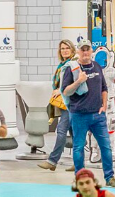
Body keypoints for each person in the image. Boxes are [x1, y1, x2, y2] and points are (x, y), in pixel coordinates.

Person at [61, 40, 115, 188]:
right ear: (78, 52)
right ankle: (80, 179)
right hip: (79, 115)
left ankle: (110, 177)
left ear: (91, 51)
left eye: (88, 50)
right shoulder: (72, 69)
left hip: (98, 115)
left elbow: (104, 88)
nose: (85, 52)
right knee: (79, 147)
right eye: (83, 50)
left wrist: (104, 105)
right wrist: (79, 81)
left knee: (106, 147)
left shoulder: (97, 66)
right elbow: (66, 91)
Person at [40, 39, 76, 172]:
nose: (65, 50)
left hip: (71, 103)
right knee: (74, 133)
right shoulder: (63, 65)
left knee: (61, 130)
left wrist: (60, 90)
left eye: (67, 48)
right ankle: (79, 163)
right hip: (66, 102)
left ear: (72, 50)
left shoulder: (72, 64)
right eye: (62, 48)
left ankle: (52, 160)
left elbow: (74, 83)